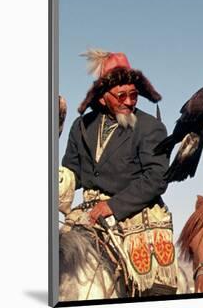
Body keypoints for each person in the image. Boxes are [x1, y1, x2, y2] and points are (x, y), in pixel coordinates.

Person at [60, 49, 177, 296]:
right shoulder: (81, 126)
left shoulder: (150, 127)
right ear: (103, 97)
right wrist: (62, 181)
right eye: (121, 95)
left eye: (133, 95)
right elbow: (73, 170)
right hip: (88, 212)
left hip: (133, 212)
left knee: (153, 287)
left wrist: (113, 205)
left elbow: (156, 178)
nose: (129, 102)